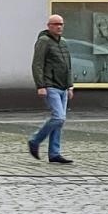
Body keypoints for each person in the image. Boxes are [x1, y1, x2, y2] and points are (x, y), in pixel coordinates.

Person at [28, 14, 74, 165]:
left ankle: (54, 153)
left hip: (63, 87)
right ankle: (35, 141)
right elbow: (37, 64)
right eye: (56, 24)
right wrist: (40, 85)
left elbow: (68, 66)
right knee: (58, 117)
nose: (59, 27)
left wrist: (70, 85)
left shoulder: (64, 43)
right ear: (49, 26)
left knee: (59, 121)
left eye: (61, 24)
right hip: (50, 85)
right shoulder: (44, 41)